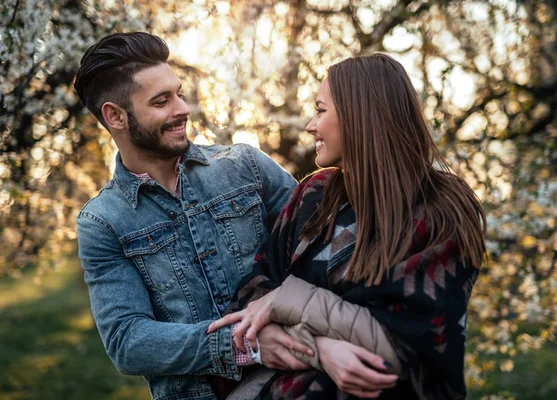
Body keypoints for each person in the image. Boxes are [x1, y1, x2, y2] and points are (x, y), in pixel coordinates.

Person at [207, 53, 487, 399]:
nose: (311, 125)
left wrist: (292, 300)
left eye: (321, 111)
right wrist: (323, 350)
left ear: (359, 115)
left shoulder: (440, 209)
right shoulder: (313, 196)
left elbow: (412, 344)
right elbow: (253, 298)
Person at [74, 32, 315, 400]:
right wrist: (244, 343)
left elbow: (319, 246)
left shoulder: (246, 166)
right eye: (161, 101)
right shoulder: (103, 222)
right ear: (115, 116)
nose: (182, 109)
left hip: (299, 382)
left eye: (179, 93)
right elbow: (128, 340)